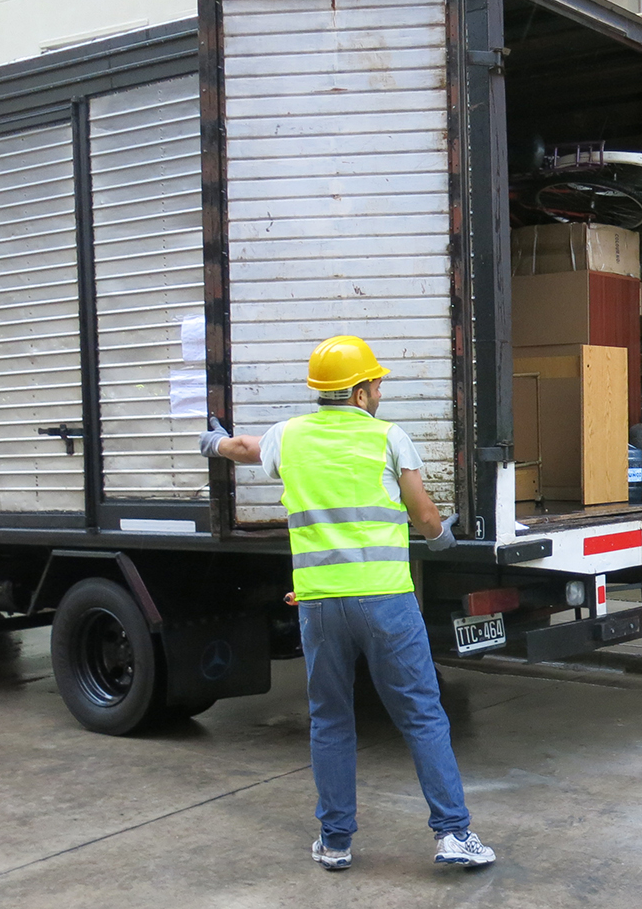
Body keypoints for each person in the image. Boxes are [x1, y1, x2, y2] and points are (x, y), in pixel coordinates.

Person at [198, 335, 494, 872]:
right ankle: (453, 834)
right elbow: (425, 517)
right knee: (423, 716)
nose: (380, 391)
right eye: (376, 383)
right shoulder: (389, 438)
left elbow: (242, 447)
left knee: (330, 721)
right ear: (358, 392)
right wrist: (442, 539)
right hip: (385, 602)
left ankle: (335, 843)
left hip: (320, 605)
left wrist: (210, 444)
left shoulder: (288, 437)